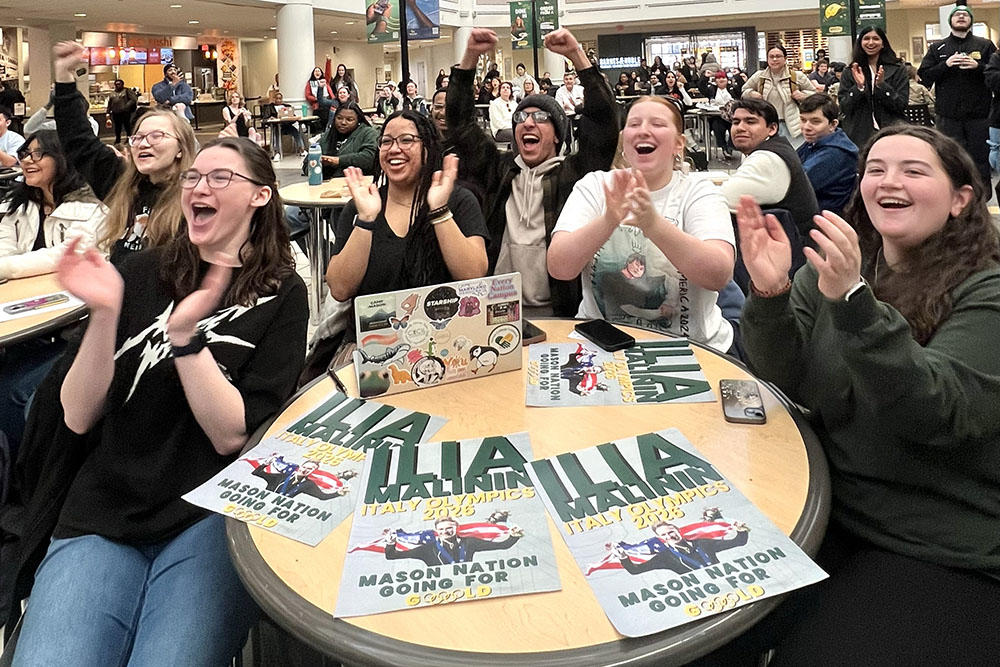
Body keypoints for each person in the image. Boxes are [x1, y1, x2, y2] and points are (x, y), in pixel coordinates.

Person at [11, 136, 309, 666]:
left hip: (208, 516)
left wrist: (187, 340)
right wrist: (104, 313)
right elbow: (78, 415)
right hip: (104, 513)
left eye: (221, 178)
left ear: (260, 196)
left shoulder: (280, 290)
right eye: (193, 177)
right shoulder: (143, 271)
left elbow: (231, 434)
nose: (200, 187)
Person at [722, 124, 1000, 664]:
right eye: (875, 169)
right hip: (824, 507)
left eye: (913, 171)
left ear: (961, 200)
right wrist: (771, 291)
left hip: (937, 541)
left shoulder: (985, 291)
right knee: (704, 636)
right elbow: (790, 376)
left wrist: (854, 301)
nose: (888, 181)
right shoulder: (840, 267)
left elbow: (938, 413)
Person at [446, 28, 619, 316]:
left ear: (557, 136)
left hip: (560, 311)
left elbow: (603, 123)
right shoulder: (498, 171)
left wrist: (577, 56)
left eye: (540, 117)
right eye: (521, 118)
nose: (528, 123)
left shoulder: (575, 175)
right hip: (496, 311)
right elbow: (460, 123)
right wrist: (471, 57)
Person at [548, 96, 738, 356]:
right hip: (602, 346)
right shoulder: (594, 186)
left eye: (657, 124)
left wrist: (653, 225)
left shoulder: (698, 191)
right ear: (624, 142)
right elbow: (559, 267)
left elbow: (718, 274)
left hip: (694, 350)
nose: (644, 130)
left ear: (678, 144)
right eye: (634, 124)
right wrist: (608, 220)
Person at [320, 110, 488, 360]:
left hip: (447, 347)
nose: (394, 148)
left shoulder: (459, 201)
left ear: (427, 148)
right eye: (386, 141)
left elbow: (473, 274)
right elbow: (340, 288)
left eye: (406, 140)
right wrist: (366, 221)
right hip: (371, 350)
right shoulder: (362, 207)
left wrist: (440, 211)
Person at [0, 131, 107, 454]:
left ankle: (23, 473)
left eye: (37, 154)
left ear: (61, 159)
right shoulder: (18, 203)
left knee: (12, 390)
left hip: (72, 329)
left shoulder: (92, 208)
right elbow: (3, 247)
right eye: (25, 154)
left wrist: (10, 268)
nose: (27, 162)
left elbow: (67, 256)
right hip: (21, 319)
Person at [52, 41, 196, 262]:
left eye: (156, 136)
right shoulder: (124, 185)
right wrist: (64, 75)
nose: (143, 143)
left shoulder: (195, 196)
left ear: (180, 148)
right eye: (137, 137)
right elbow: (79, 142)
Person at [919, 5, 997, 189]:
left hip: (979, 116)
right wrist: (945, 64)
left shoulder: (985, 45)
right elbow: (925, 75)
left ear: (971, 20)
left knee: (980, 161)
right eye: (957, 14)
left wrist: (978, 66)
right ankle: (952, 197)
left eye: (965, 14)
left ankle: (981, 200)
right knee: (950, 159)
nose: (961, 17)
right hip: (948, 117)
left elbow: (995, 74)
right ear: (950, 21)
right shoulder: (938, 47)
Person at [721, 99, 819, 243]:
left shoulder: (767, 159)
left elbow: (719, 201)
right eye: (736, 122)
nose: (740, 127)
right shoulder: (772, 147)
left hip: (795, 257)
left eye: (750, 122)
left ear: (772, 129)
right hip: (788, 246)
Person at [838, 26, 908, 149]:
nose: (871, 42)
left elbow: (901, 105)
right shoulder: (850, 71)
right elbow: (845, 107)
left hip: (891, 132)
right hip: (859, 135)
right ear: (860, 43)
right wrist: (859, 88)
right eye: (866, 39)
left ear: (883, 43)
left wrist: (882, 86)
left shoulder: (897, 69)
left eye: (876, 38)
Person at [742, 44, 818, 147]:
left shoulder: (796, 76)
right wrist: (751, 94)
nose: (774, 59)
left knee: (795, 154)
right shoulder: (759, 76)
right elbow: (744, 91)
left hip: (791, 125)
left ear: (785, 58)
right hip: (766, 123)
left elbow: (815, 95)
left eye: (778, 56)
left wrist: (803, 95)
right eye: (771, 56)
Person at [796, 93, 859, 216]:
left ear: (833, 124)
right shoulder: (815, 142)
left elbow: (796, 185)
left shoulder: (836, 153)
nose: (806, 127)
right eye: (803, 120)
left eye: (815, 121)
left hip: (822, 222)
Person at [614, 521, 750, 574]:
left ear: (678, 530)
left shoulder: (702, 543)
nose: (670, 536)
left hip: (724, 578)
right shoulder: (665, 557)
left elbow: (738, 542)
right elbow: (635, 570)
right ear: (661, 538)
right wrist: (623, 558)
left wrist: (741, 530)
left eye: (671, 532)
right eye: (664, 535)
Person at [384, 517, 523, 565]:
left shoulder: (470, 542)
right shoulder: (427, 549)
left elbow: (503, 546)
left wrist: (514, 536)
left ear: (456, 528)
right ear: (437, 530)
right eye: (441, 529)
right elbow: (392, 556)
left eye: (449, 528)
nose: (445, 532)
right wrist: (391, 543)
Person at [313, 102, 378, 179]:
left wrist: (338, 161)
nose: (343, 122)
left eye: (349, 120)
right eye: (339, 118)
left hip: (357, 183)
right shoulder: (329, 134)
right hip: (326, 184)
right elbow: (308, 163)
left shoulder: (368, 133)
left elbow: (369, 158)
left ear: (358, 121)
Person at [700, 70, 740, 157]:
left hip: (732, 117)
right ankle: (723, 147)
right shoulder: (712, 89)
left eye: (723, 78)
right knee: (717, 126)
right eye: (718, 78)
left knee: (734, 127)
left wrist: (738, 76)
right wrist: (705, 77)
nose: (721, 80)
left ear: (727, 79)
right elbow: (701, 87)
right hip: (717, 116)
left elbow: (741, 90)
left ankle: (731, 146)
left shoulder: (733, 88)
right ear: (715, 80)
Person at [262, 91, 307, 157]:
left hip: (287, 125)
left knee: (296, 132)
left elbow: (293, 117)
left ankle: (302, 149)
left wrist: (291, 117)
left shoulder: (287, 106)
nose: (278, 100)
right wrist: (271, 118)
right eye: (277, 98)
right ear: (274, 99)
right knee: (277, 133)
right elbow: (265, 119)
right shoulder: (270, 107)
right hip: (276, 126)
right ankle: (277, 152)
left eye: (280, 99)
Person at [104, 79, 138, 146]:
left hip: (125, 112)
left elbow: (133, 99)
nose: (118, 85)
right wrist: (108, 112)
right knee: (117, 127)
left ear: (122, 84)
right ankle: (118, 139)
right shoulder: (113, 93)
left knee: (127, 126)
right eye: (116, 84)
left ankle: (129, 139)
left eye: (119, 84)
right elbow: (110, 103)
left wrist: (126, 106)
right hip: (115, 112)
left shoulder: (126, 91)